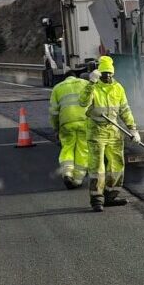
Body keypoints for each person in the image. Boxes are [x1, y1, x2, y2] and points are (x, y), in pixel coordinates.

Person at [78, 55, 139, 211]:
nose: (108, 77)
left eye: (110, 74)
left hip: (114, 131)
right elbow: (83, 102)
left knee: (117, 165)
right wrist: (91, 83)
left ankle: (111, 195)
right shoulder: (93, 87)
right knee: (97, 167)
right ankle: (97, 199)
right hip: (96, 131)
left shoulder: (118, 88)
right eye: (105, 74)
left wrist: (133, 129)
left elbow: (125, 110)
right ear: (100, 74)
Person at [48, 57, 95, 189]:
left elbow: (53, 112)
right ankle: (78, 179)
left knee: (67, 148)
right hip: (84, 122)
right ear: (75, 76)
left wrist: (55, 128)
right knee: (83, 150)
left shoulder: (57, 88)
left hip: (66, 123)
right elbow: (93, 102)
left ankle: (67, 173)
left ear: (65, 78)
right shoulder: (84, 83)